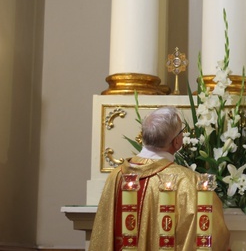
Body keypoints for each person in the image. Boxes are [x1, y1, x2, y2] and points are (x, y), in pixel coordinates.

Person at [91, 107, 230, 250]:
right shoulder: (188, 182)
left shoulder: (117, 176)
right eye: (182, 132)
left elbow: (102, 233)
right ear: (176, 142)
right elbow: (213, 235)